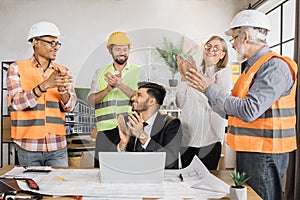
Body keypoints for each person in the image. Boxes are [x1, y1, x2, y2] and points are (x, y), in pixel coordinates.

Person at [185, 10, 297, 200]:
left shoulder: (274, 66)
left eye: (234, 39)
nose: (234, 45)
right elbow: (232, 111)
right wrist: (206, 90)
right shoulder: (252, 67)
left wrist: (210, 89)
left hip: (265, 153)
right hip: (253, 150)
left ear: (245, 37)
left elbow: (249, 110)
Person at [6, 21, 77, 166]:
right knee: (31, 188)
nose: (55, 47)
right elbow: (16, 103)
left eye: (57, 43)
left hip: (57, 146)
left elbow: (70, 106)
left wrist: (62, 90)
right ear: (36, 43)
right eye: (51, 42)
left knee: (58, 188)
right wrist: (45, 85)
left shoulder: (63, 71)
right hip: (28, 146)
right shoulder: (16, 68)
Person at [176, 35, 232, 170]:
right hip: (187, 139)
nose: (211, 50)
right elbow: (179, 102)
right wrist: (184, 77)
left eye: (216, 48)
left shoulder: (223, 74)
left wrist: (195, 75)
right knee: (186, 181)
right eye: (208, 46)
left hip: (210, 140)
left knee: (207, 182)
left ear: (222, 55)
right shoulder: (191, 71)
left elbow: (217, 102)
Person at [87, 32, 141, 167]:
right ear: (110, 50)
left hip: (130, 130)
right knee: (101, 171)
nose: (122, 53)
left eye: (125, 49)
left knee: (129, 171)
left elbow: (142, 100)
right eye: (117, 49)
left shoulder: (139, 72)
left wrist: (120, 85)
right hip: (105, 133)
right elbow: (90, 101)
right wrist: (108, 89)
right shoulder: (100, 73)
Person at [117, 82, 182, 169]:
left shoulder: (171, 124)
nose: (133, 98)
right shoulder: (128, 122)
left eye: (139, 95)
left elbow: (170, 161)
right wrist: (123, 144)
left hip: (159, 178)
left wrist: (142, 136)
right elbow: (115, 161)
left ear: (151, 101)